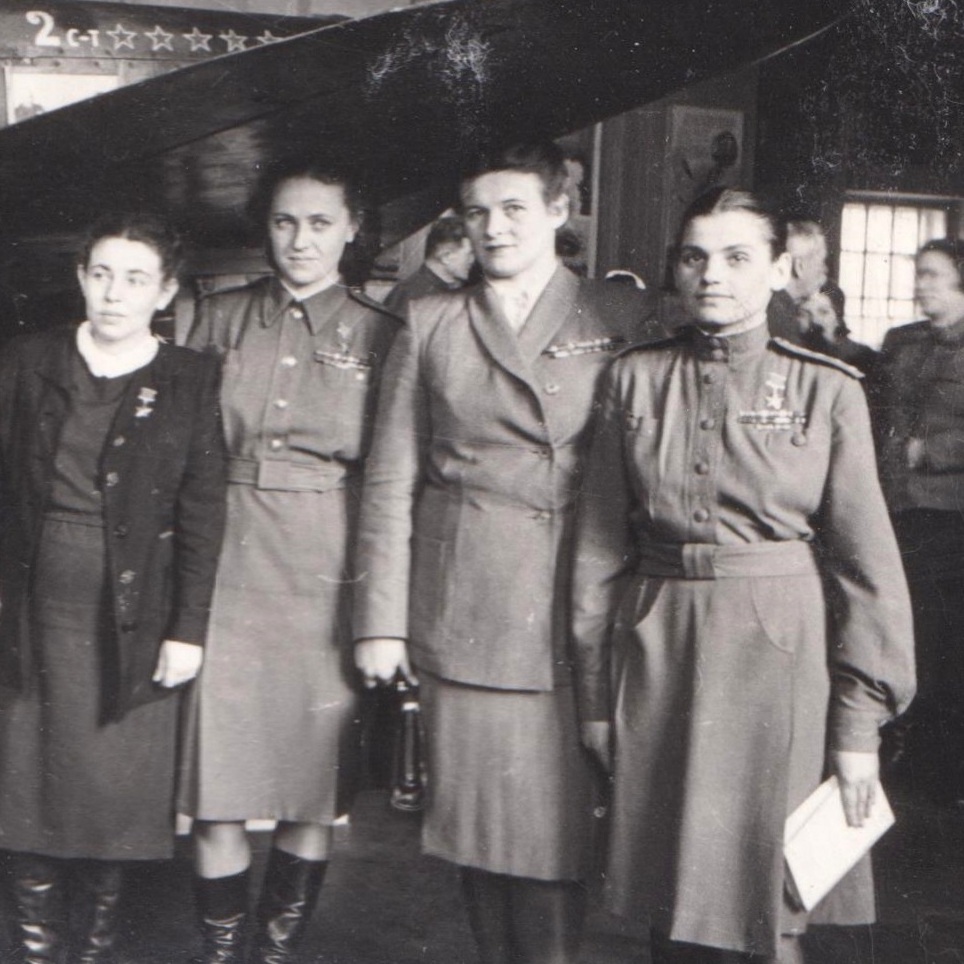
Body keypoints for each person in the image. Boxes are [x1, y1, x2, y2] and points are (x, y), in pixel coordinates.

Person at [572, 187, 915, 964]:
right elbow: (596, 555)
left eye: (736, 257)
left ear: (779, 269)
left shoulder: (827, 390)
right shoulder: (632, 380)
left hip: (777, 658)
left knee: (772, 903)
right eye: (695, 257)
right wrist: (595, 698)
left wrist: (858, 728)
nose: (712, 275)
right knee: (669, 901)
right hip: (657, 651)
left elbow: (869, 570)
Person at [352, 141, 659, 964]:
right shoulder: (431, 321)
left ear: (561, 212)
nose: (494, 227)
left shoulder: (617, 318)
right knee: (479, 832)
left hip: (579, 608)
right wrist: (380, 621)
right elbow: (390, 479)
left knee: (558, 836)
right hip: (470, 608)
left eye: (515, 207)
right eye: (477, 212)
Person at [178, 159, 401, 964]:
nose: (300, 240)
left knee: (312, 789)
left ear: (351, 229)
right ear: (263, 228)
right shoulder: (213, 319)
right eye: (284, 222)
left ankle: (272, 957)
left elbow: (389, 481)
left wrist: (379, 611)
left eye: (318, 223)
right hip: (223, 556)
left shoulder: (384, 335)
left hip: (324, 566)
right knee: (215, 793)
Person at [0, 212, 226, 963]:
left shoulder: (190, 378)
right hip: (31, 613)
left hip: (133, 619)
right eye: (101, 274)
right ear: (80, 278)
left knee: (111, 801)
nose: (114, 293)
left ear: (165, 290)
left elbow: (202, 511)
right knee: (23, 792)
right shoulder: (26, 360)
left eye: (135, 278)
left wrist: (187, 628)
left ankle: (91, 954)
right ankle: (35, 954)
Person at [877, 238, 964, 804]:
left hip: (951, 519)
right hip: (903, 512)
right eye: (918, 273)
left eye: (933, 274)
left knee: (943, 641)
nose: (921, 283)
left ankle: (940, 769)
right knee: (907, 635)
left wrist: (929, 451)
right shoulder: (904, 344)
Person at [383, 215, 474, 315]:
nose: (472, 260)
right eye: (469, 254)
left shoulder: (456, 289)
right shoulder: (410, 296)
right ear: (446, 257)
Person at [796, 284, 880, 378]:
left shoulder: (863, 356)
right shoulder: (793, 358)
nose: (815, 321)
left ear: (838, 319)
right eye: (805, 314)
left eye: (823, 312)